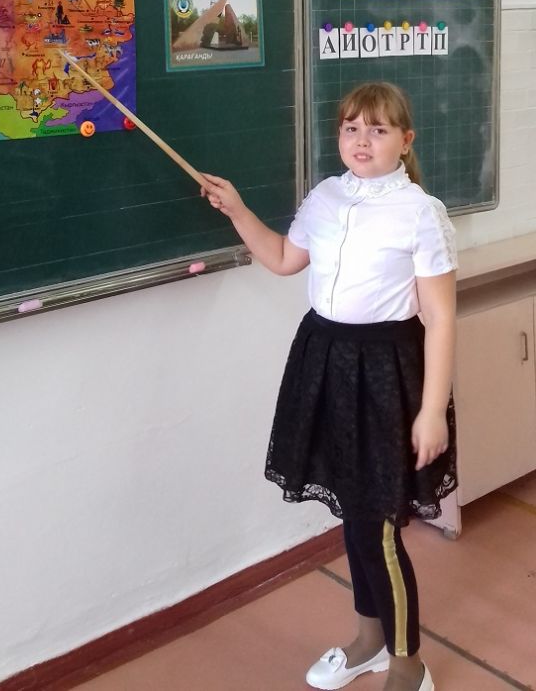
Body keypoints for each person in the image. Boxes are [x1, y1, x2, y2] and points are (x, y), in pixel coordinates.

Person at [201, 82, 457, 691]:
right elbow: (284, 259)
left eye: (378, 130)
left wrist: (431, 411)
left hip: (387, 372)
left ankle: (408, 664)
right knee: (354, 513)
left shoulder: (420, 212)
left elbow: (441, 317)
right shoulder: (325, 196)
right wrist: (238, 210)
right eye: (351, 128)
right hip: (324, 360)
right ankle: (369, 642)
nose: (362, 140)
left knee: (379, 525)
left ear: (405, 140)